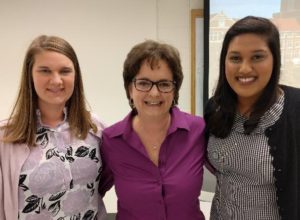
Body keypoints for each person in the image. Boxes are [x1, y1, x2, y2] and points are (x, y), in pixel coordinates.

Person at [0, 35, 108, 220]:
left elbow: (106, 181)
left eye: (65, 71)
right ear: (30, 75)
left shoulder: (95, 129)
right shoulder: (6, 138)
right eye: (45, 71)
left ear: (76, 75)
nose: (56, 80)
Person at [204, 16, 300, 220]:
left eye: (257, 57)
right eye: (235, 58)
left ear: (275, 60)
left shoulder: (295, 109)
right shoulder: (215, 107)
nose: (245, 68)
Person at [99, 40, 206, 219]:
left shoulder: (198, 130)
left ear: (175, 89)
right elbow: (91, 192)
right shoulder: (111, 140)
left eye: (164, 84)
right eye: (143, 83)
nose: (154, 93)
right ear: (129, 88)